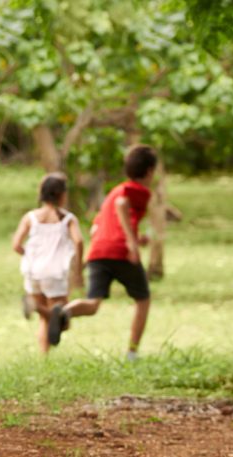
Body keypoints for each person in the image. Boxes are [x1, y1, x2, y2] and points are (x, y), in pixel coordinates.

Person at [47, 145, 157, 361]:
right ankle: (132, 353)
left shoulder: (114, 190)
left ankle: (65, 312)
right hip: (121, 252)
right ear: (150, 171)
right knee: (143, 300)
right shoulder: (137, 190)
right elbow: (122, 205)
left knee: (93, 304)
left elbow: (96, 227)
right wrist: (131, 244)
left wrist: (135, 237)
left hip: (98, 251)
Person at [12, 173, 83, 353]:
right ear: (62, 195)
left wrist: (28, 255)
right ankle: (37, 308)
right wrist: (78, 269)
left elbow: (16, 244)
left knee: (46, 319)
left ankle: (44, 356)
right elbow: (79, 241)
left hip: (33, 271)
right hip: (55, 273)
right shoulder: (68, 219)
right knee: (63, 320)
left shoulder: (31, 217)